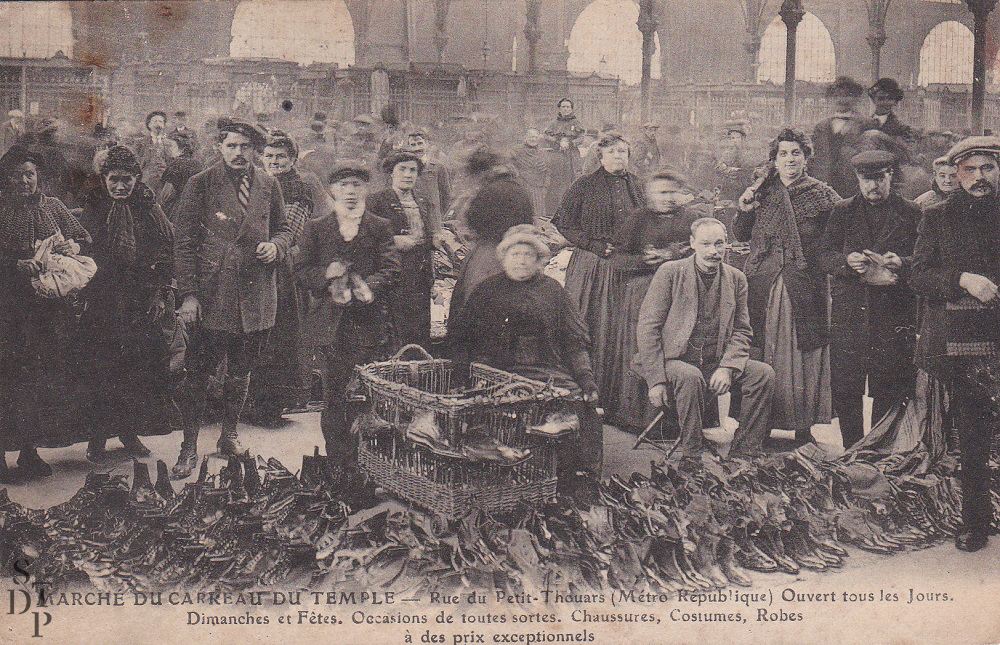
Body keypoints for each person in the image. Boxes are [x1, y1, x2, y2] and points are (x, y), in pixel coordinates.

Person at [171, 117, 293, 478]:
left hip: (256, 295)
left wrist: (277, 246)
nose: (238, 154)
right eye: (231, 146)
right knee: (198, 374)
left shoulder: (269, 184)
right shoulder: (201, 183)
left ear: (255, 150)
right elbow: (184, 242)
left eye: (245, 147)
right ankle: (188, 447)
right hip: (213, 293)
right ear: (219, 148)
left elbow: (284, 228)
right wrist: (189, 295)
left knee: (241, 371)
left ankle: (229, 435)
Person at [450, 225, 602, 480]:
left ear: (539, 261)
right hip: (496, 371)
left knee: (578, 403)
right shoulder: (486, 291)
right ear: (503, 258)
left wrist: (586, 380)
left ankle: (574, 478)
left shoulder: (553, 291)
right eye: (515, 254)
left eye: (528, 255)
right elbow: (461, 340)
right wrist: (461, 379)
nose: (521, 261)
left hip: (545, 369)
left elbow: (574, 342)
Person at [911, 136, 1000, 553]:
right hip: (967, 344)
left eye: (988, 168)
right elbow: (918, 276)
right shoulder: (937, 217)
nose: (979, 177)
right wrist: (963, 279)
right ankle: (975, 522)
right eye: (970, 170)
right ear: (956, 174)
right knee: (975, 434)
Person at [734, 128, 839, 444]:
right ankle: (759, 423)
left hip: (804, 285)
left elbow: (837, 239)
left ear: (806, 158)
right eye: (783, 153)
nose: (790, 159)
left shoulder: (823, 194)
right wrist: (743, 210)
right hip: (763, 283)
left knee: (804, 350)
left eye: (796, 152)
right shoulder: (761, 193)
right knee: (762, 350)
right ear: (774, 160)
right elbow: (741, 235)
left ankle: (803, 426)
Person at [637, 218, 775, 458]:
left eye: (719, 244)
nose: (713, 251)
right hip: (673, 361)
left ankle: (745, 452)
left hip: (714, 361)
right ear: (692, 244)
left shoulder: (736, 278)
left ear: (726, 245)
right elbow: (648, 328)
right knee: (690, 376)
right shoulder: (670, 272)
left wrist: (728, 367)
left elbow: (742, 329)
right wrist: (656, 380)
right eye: (706, 244)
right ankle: (692, 456)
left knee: (763, 374)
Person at [295, 161, 400, 465]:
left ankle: (370, 463)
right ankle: (340, 463)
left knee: (369, 398)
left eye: (357, 185)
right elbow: (301, 270)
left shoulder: (379, 226)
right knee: (335, 397)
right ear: (332, 190)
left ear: (366, 189)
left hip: (370, 326)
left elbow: (392, 269)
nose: (351, 192)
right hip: (332, 327)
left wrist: (369, 287)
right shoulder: (317, 228)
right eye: (344, 186)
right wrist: (327, 274)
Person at [77, 146, 176, 462]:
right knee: (100, 368)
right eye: (113, 180)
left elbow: (166, 253)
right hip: (102, 299)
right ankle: (97, 437)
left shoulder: (149, 209)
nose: (120, 187)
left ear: (137, 178)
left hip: (139, 302)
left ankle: (129, 432)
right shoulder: (93, 207)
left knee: (135, 370)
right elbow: (79, 249)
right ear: (103, 178)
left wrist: (160, 293)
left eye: (127, 180)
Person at [816, 149, 920, 449]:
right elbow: (824, 256)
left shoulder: (912, 212)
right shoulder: (843, 211)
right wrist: (846, 261)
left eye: (879, 178)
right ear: (857, 179)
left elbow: (927, 260)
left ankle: (878, 448)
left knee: (888, 383)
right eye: (866, 179)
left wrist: (902, 262)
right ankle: (852, 449)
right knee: (847, 386)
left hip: (893, 313)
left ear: (891, 176)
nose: (873, 186)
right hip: (851, 312)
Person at [0, 146, 92, 482]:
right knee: (6, 379)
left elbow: (83, 237)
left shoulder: (52, 206)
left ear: (39, 176)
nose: (24, 180)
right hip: (8, 308)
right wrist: (15, 265)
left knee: (38, 378)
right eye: (17, 174)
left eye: (29, 173)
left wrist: (73, 247)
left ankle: (29, 451)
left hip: (47, 310)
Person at [609, 169, 708, 430]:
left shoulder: (692, 219)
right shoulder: (638, 219)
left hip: (683, 296)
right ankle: (639, 419)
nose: (667, 198)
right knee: (645, 350)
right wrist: (644, 260)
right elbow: (617, 260)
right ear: (649, 194)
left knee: (680, 350)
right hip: (643, 294)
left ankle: (681, 423)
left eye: (672, 192)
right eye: (661, 192)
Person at [554, 132, 645, 405]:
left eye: (623, 152)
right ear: (601, 156)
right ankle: (591, 394)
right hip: (593, 269)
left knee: (623, 332)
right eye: (612, 152)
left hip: (628, 269)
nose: (618, 156)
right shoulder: (584, 185)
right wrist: (592, 244)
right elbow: (562, 222)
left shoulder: (638, 186)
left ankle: (619, 400)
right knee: (597, 327)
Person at [242, 130, 313, 426]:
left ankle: (271, 406)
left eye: (281, 157)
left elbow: (291, 231)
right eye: (269, 156)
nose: (274, 161)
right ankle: (248, 402)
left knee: (277, 336)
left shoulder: (298, 188)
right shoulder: (257, 182)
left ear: (293, 159)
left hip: (280, 270)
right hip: (254, 264)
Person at [447, 150, 534, 321]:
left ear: (480, 172)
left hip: (489, 253)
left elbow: (473, 221)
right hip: (517, 250)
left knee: (477, 300)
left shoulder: (487, 191)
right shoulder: (519, 188)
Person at [368, 150, 437, 350]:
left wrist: (433, 241)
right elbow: (364, 238)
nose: (408, 175)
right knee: (393, 334)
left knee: (419, 333)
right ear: (391, 172)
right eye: (402, 169)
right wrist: (394, 241)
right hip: (392, 279)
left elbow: (426, 236)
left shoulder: (421, 202)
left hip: (419, 279)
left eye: (413, 170)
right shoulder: (377, 201)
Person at [811, 76, 867, 200]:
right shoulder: (821, 126)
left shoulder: (864, 124)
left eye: (847, 95)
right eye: (837, 96)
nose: (842, 100)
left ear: (856, 98)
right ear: (830, 98)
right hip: (824, 182)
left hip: (853, 184)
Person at [544, 98, 585, 216]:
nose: (565, 109)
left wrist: (570, 143)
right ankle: (553, 211)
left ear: (572, 109)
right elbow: (546, 136)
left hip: (571, 156)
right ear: (559, 108)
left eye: (568, 107)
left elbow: (581, 138)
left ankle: (572, 211)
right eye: (563, 107)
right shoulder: (553, 123)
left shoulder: (576, 123)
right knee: (556, 182)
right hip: (557, 156)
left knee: (571, 180)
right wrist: (558, 142)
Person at [406, 127, 451, 229]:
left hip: (433, 220)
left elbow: (446, 196)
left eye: (420, 143)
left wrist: (438, 215)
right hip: (413, 219)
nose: (417, 148)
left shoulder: (438, 166)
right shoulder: (406, 167)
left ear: (427, 144)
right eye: (413, 145)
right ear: (408, 147)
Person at [131, 110, 178, 198]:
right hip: (145, 180)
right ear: (149, 125)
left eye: (160, 121)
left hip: (165, 182)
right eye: (155, 121)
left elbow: (174, 164)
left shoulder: (171, 144)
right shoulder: (140, 143)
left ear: (164, 125)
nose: (158, 124)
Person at [513, 128, 551, 222]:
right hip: (522, 187)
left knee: (539, 218)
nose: (533, 139)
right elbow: (511, 168)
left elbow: (547, 172)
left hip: (538, 189)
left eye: (535, 137)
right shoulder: (517, 151)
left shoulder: (543, 153)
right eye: (530, 136)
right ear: (525, 137)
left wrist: (545, 187)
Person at [863, 78, 917, 144]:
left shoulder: (902, 128)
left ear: (895, 101)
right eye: (881, 98)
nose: (885, 102)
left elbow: (905, 149)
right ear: (873, 99)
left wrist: (883, 136)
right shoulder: (864, 123)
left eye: (890, 99)